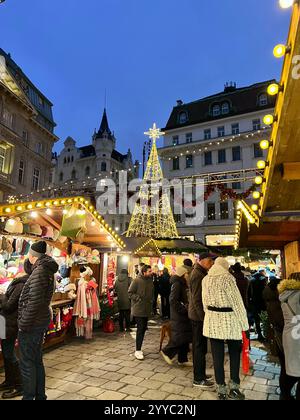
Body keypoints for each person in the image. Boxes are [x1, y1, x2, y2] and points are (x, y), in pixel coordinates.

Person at [202, 257, 249, 400]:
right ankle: (234, 388)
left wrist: (211, 315)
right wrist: (245, 325)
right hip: (230, 320)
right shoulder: (228, 278)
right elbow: (237, 303)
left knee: (217, 357)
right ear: (225, 266)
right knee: (234, 354)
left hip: (212, 320)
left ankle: (221, 390)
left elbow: (204, 302)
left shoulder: (206, 279)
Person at [18, 241, 58, 401]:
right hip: (38, 321)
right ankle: (40, 396)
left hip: (32, 324)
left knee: (27, 363)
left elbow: (33, 301)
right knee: (36, 361)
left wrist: (23, 324)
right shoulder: (45, 270)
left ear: (32, 255)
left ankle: (28, 397)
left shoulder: (40, 271)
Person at [0, 260, 32, 399]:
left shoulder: (21, 284)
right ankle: (9, 381)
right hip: (6, 323)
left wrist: (1, 295)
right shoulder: (25, 282)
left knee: (9, 354)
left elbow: (8, 306)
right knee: (7, 353)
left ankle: (19, 386)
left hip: (9, 323)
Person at [263, 276, 297, 400]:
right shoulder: (285, 301)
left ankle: (285, 394)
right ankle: (285, 394)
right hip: (289, 339)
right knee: (289, 370)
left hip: (281, 338)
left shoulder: (274, 298)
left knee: (285, 368)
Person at [188, 253, 215, 390]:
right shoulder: (198, 275)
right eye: (210, 261)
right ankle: (198, 378)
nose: (211, 264)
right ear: (203, 261)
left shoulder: (200, 272)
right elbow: (197, 299)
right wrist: (204, 318)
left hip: (197, 316)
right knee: (199, 347)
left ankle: (201, 375)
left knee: (201, 347)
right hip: (198, 317)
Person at [160, 266, 192, 366]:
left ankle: (182, 359)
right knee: (180, 337)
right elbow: (173, 300)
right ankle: (166, 352)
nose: (188, 275)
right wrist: (183, 309)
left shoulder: (182, 283)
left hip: (183, 314)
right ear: (183, 274)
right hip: (179, 315)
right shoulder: (177, 284)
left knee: (185, 336)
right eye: (186, 273)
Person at [278, 272, 300, 400]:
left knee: (287, 369)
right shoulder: (298, 296)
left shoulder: (283, 295)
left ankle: (285, 395)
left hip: (287, 335)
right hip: (297, 336)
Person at [128, 265, 153, 361]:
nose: (151, 272)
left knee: (143, 329)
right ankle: (138, 350)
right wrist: (138, 298)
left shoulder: (150, 280)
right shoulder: (136, 280)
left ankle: (139, 348)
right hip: (138, 308)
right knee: (140, 328)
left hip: (147, 309)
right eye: (149, 271)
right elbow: (130, 292)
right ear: (144, 272)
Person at [249, 269, 267, 341]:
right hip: (262, 302)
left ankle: (259, 334)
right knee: (264, 318)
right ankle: (264, 333)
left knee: (257, 319)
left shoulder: (252, 280)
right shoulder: (263, 280)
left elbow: (249, 293)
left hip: (254, 302)